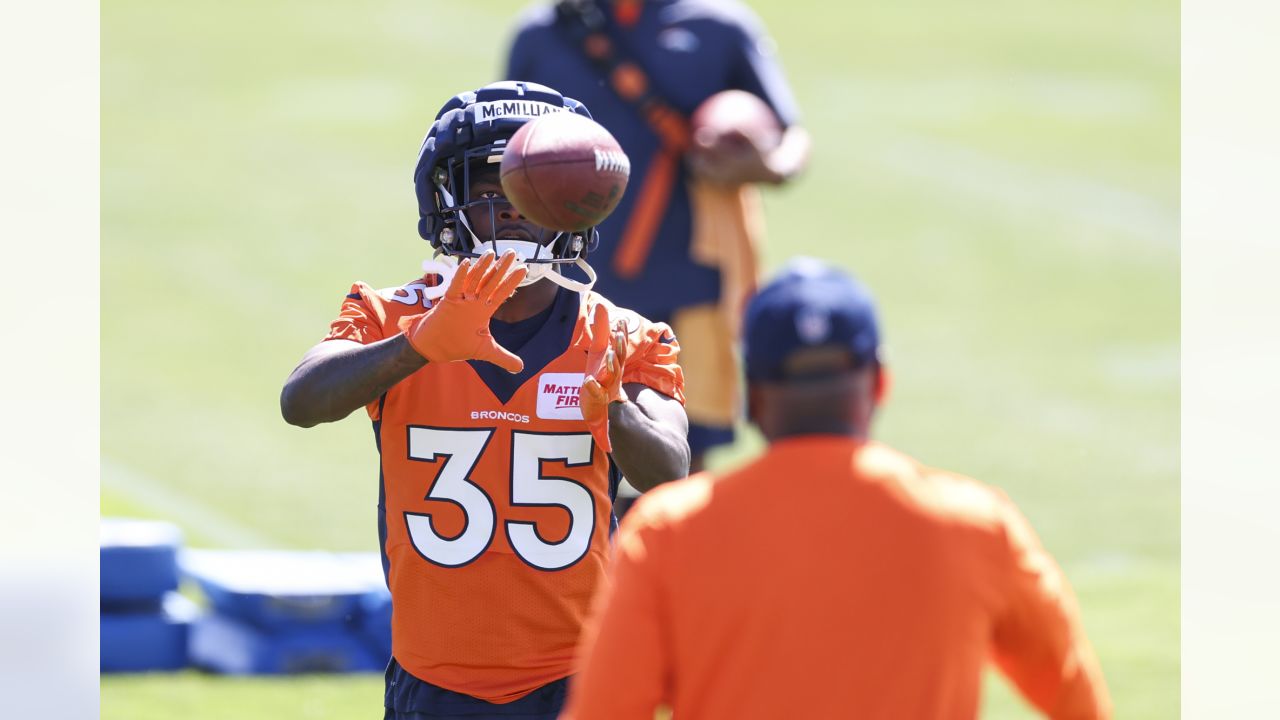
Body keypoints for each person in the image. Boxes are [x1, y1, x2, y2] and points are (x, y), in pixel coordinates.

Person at [280, 81, 691, 720]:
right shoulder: (395, 315)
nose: (514, 210)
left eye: (530, 191)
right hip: (435, 680)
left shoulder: (623, 335)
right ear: (447, 202)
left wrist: (612, 410)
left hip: (580, 679)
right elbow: (302, 400)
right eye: (491, 192)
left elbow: (670, 472)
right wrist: (418, 346)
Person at [561, 258, 1114, 719]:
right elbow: (1076, 698)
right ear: (880, 383)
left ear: (753, 399)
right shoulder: (976, 525)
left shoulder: (668, 535)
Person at [505, 0, 812, 479]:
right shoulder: (544, 29)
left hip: (691, 277)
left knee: (681, 459)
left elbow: (791, 136)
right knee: (556, 456)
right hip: (564, 282)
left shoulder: (720, 25)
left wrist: (764, 165)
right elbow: (507, 149)